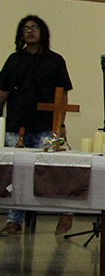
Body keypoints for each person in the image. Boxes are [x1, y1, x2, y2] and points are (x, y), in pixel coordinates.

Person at [0, 15, 73, 235]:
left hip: (45, 127)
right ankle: (14, 221)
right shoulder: (14, 60)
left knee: (51, 170)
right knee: (15, 174)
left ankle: (65, 211)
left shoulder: (56, 61)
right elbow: (2, 94)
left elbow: (63, 96)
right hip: (16, 125)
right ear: (20, 34)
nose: (29, 31)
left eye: (34, 27)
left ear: (43, 32)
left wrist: (60, 126)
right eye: (25, 28)